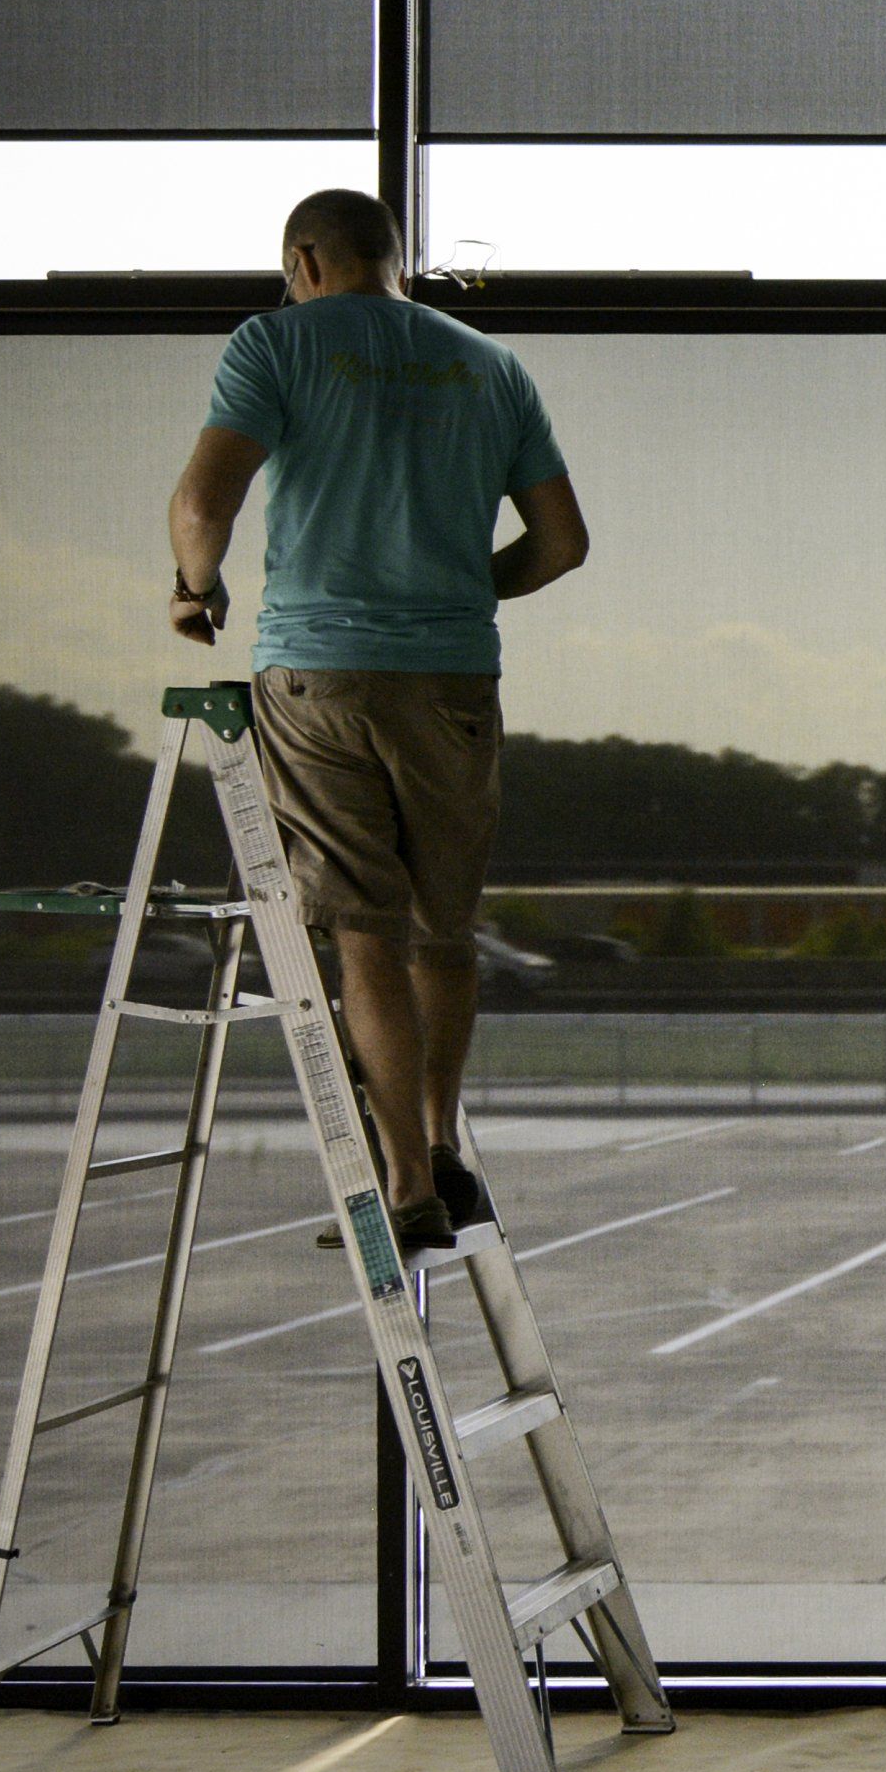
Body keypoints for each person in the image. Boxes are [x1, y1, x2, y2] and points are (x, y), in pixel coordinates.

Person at [166, 188, 586, 1255]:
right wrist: (454, 588)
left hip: (321, 672)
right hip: (451, 677)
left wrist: (193, 586)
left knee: (363, 931)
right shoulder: (491, 364)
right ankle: (444, 1145)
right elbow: (563, 543)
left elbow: (205, 502)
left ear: (305, 259)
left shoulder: (275, 342)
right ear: (393, 258)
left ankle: (403, 1187)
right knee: (443, 934)